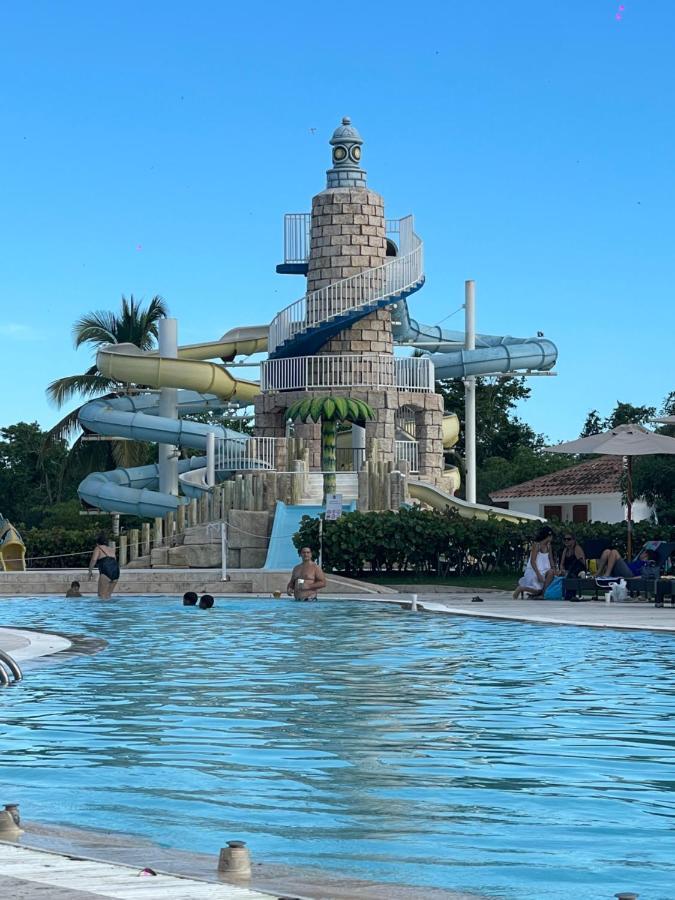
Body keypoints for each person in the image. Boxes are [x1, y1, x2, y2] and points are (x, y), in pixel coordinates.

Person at [513, 526, 555, 599]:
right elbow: (533, 561)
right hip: (534, 570)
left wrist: (554, 568)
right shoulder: (536, 545)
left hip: (545, 570)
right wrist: (538, 574)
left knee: (551, 572)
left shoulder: (549, 546)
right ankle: (521, 588)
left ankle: (543, 594)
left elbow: (550, 558)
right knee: (537, 590)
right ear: (548, 536)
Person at [88, 535, 120, 599]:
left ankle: (103, 609)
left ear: (97, 543)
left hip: (106, 572)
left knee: (101, 596)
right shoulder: (111, 549)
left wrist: (90, 571)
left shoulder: (98, 548)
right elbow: (115, 561)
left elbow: (94, 560)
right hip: (116, 572)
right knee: (108, 595)